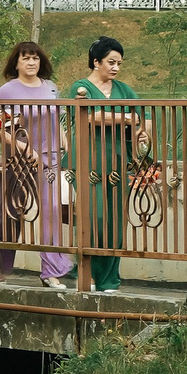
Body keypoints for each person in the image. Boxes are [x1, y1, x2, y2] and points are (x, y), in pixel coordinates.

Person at [70, 36, 147, 293]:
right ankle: (88, 274)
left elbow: (141, 116)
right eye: (111, 62)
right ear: (96, 62)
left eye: (119, 63)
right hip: (88, 162)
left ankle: (110, 280)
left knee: (115, 222)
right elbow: (91, 116)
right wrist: (125, 118)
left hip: (116, 162)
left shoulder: (124, 90)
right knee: (95, 217)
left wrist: (141, 132)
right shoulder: (80, 88)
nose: (115, 68)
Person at [0, 41, 73, 288]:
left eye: (35, 58)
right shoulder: (7, 91)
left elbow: (56, 118)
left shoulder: (50, 87)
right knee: (8, 214)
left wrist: (64, 143)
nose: (31, 62)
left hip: (49, 158)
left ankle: (51, 271)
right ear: (16, 63)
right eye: (26, 58)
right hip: (18, 159)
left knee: (51, 211)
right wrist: (24, 148)